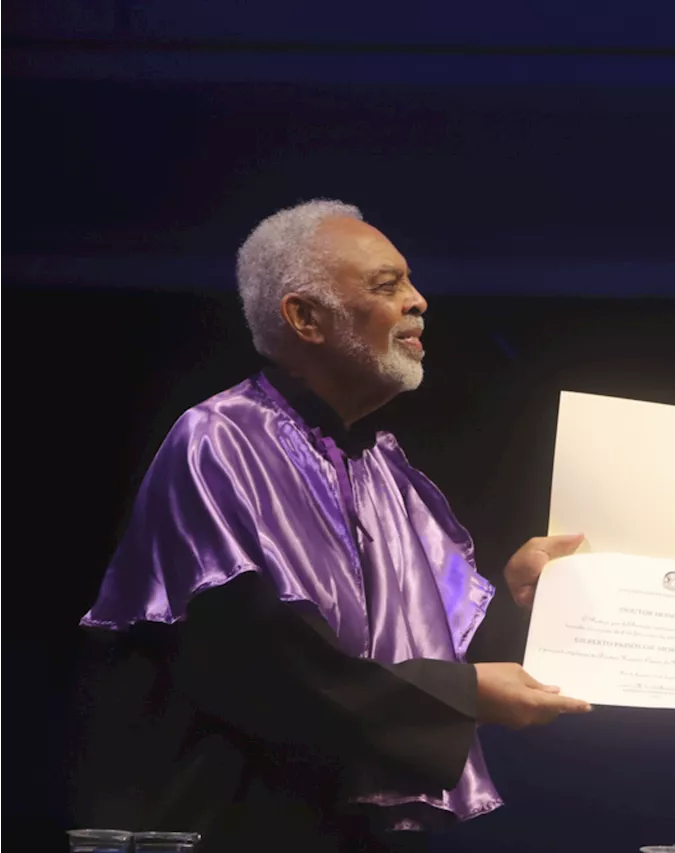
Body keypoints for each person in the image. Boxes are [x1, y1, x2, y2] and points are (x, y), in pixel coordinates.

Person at [70, 200, 591, 853]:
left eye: (410, 281)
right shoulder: (218, 441)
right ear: (304, 317)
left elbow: (423, 645)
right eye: (387, 285)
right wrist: (465, 692)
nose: (418, 300)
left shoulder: (380, 470)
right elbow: (254, 660)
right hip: (235, 820)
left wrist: (525, 602)